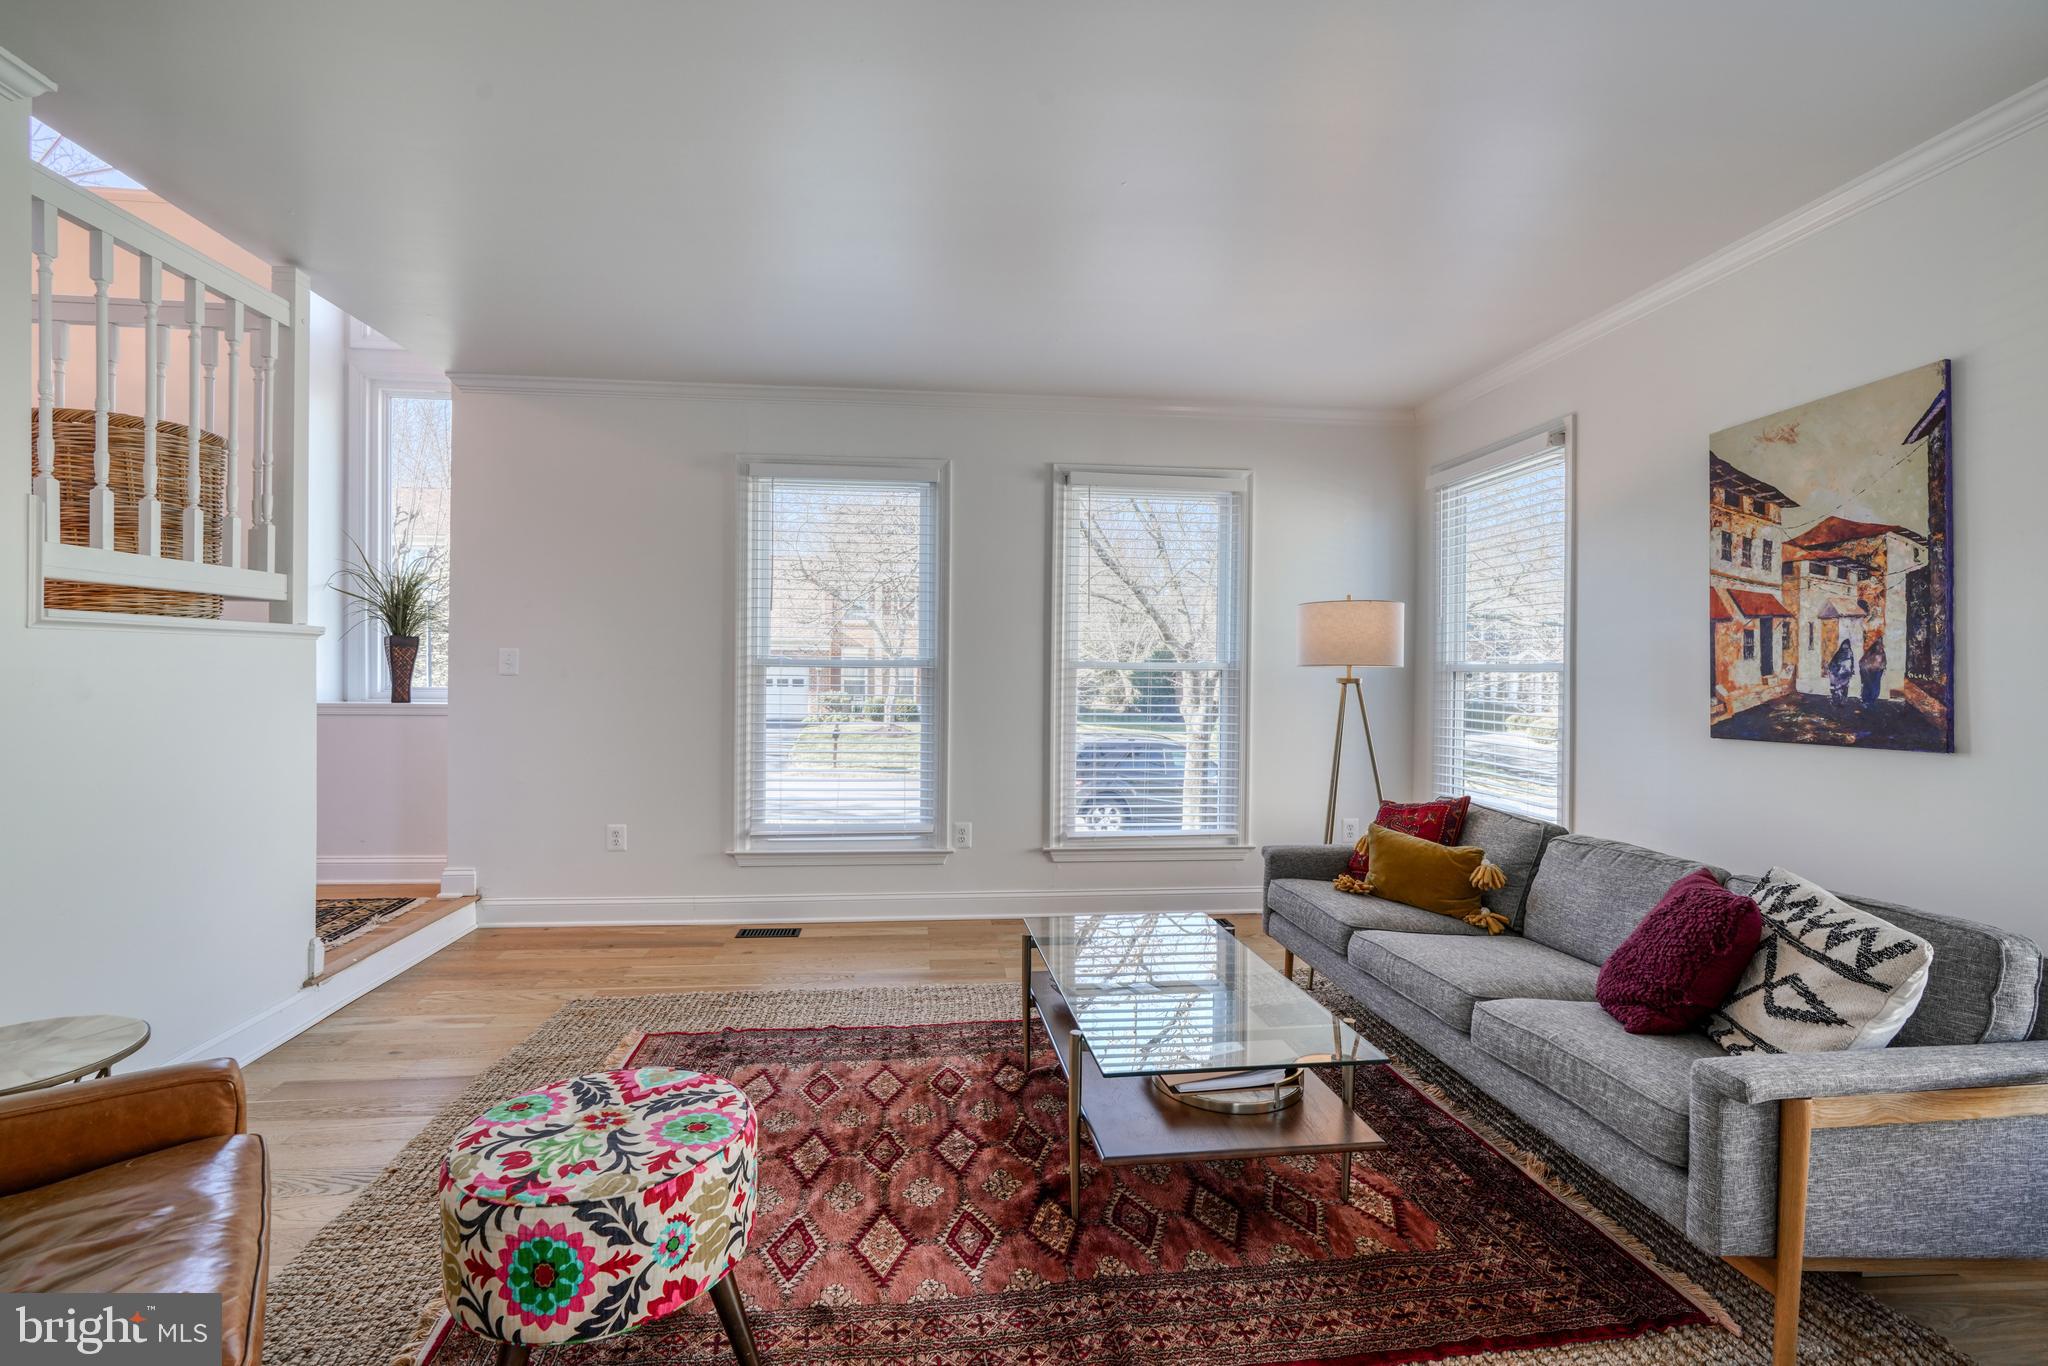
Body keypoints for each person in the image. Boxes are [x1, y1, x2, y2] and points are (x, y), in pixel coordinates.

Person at [1859, 633, 1888, 703]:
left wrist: (1882, 667)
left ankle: (1871, 699)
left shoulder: (1879, 650)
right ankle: (1867, 699)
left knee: (1874, 686)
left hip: (1876, 670)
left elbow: (1883, 660)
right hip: (1871, 671)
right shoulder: (1873, 650)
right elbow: (1863, 661)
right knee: (1870, 685)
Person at [1827, 637, 1855, 704]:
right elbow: (1833, 663)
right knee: (1837, 688)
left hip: (1844, 675)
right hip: (1838, 674)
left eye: (1847, 646)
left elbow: (1851, 664)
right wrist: (1834, 671)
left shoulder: (1849, 653)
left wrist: (1850, 672)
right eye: (1844, 646)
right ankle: (1837, 700)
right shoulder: (1839, 654)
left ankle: (1842, 701)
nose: (1845, 647)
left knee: (1843, 688)